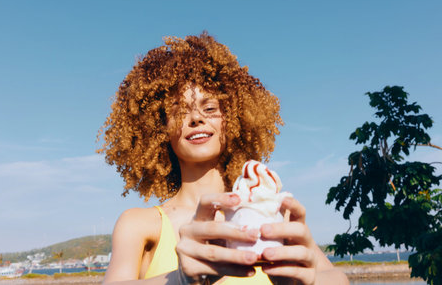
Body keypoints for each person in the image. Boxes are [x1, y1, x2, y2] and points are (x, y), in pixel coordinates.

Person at [98, 32, 349, 285]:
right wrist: (181, 279)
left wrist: (307, 280)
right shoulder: (140, 224)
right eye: (179, 111)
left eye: (210, 109)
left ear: (235, 118)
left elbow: (336, 277)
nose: (196, 118)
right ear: (159, 128)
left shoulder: (270, 213)